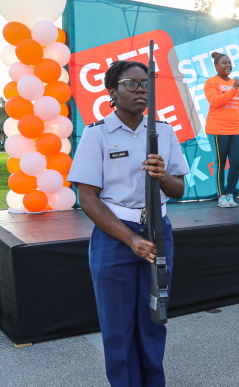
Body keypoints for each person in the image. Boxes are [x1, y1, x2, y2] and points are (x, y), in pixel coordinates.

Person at [68, 60, 189, 387]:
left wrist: (162, 175)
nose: (141, 90)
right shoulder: (97, 135)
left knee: (154, 320)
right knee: (118, 326)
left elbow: (179, 189)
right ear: (112, 92)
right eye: (131, 84)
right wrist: (128, 239)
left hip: (157, 233)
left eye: (146, 84)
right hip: (115, 237)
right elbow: (88, 198)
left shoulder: (163, 131)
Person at [204, 51, 239, 208]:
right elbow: (215, 102)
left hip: (236, 128)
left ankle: (230, 194)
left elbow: (238, 109)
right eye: (224, 63)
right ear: (216, 66)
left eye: (229, 62)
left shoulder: (236, 85)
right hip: (217, 128)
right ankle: (221, 196)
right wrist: (232, 89)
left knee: (236, 163)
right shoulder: (211, 82)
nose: (228, 65)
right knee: (221, 163)